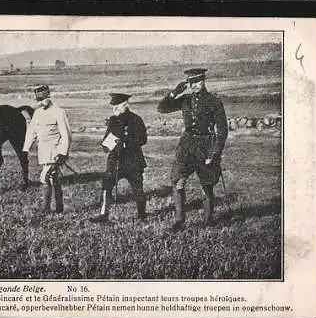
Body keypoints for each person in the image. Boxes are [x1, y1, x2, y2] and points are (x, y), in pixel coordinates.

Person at [157, 68, 228, 230]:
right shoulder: (185, 100)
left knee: (206, 183)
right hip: (187, 146)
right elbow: (162, 108)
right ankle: (179, 220)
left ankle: (208, 220)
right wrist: (174, 93)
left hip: (206, 145)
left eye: (198, 81)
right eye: (191, 82)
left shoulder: (214, 101)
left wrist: (215, 153)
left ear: (204, 80)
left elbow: (222, 131)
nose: (195, 85)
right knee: (177, 180)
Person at [90, 93, 148, 223]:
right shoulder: (113, 120)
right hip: (115, 160)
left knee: (138, 188)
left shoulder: (136, 119)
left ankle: (142, 215)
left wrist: (126, 142)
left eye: (117, 106)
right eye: (113, 106)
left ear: (126, 105)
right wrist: (107, 145)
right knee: (107, 185)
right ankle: (103, 214)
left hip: (133, 160)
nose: (114, 109)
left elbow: (143, 139)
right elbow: (106, 141)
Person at [22, 85, 72, 222]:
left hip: (56, 152)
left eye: (44, 98)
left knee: (44, 177)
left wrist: (62, 152)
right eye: (39, 99)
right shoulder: (37, 113)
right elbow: (31, 131)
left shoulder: (59, 112)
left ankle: (45, 208)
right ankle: (60, 207)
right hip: (43, 152)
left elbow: (66, 135)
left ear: (49, 97)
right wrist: (25, 149)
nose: (42, 101)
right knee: (53, 179)